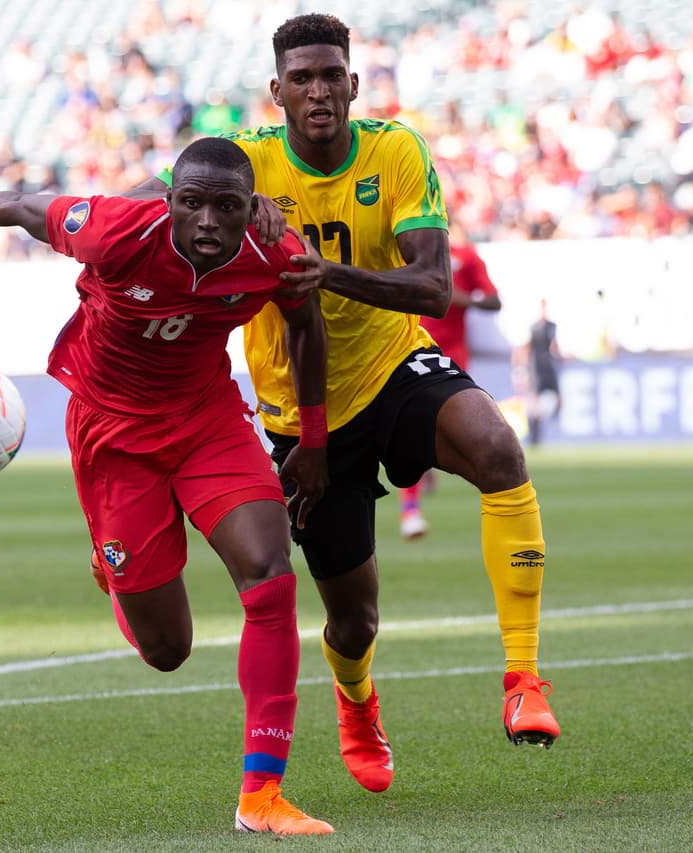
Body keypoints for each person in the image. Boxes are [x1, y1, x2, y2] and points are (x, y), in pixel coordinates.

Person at [135, 13, 559, 795]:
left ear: (354, 83)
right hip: (302, 417)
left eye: (332, 75)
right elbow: (145, 203)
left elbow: (431, 286)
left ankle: (524, 679)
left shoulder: (395, 150)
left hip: (394, 366)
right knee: (354, 619)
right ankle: (357, 699)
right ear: (277, 91)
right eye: (302, 78)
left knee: (498, 446)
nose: (319, 90)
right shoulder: (246, 166)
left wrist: (323, 271)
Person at [0, 138, 336, 836]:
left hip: (207, 420)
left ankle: (261, 795)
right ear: (169, 201)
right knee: (167, 650)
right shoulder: (116, 229)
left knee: (270, 575)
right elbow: (21, 206)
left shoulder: (275, 250)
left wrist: (314, 440)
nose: (209, 221)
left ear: (251, 208)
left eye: (227, 206)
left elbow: (305, 327)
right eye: (193, 203)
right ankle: (115, 573)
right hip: (113, 438)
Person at [398, 225, 502, 541]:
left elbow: (494, 302)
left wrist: (458, 298)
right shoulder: (405, 252)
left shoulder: (466, 256)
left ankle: (430, 462)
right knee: (411, 425)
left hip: (452, 355)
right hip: (410, 348)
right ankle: (410, 510)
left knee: (450, 425)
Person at [515, 298, 562, 447]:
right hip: (536, 367)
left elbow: (555, 346)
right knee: (534, 402)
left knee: (552, 401)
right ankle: (534, 437)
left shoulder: (552, 326)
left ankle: (537, 434)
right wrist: (522, 366)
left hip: (549, 366)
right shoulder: (533, 327)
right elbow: (526, 347)